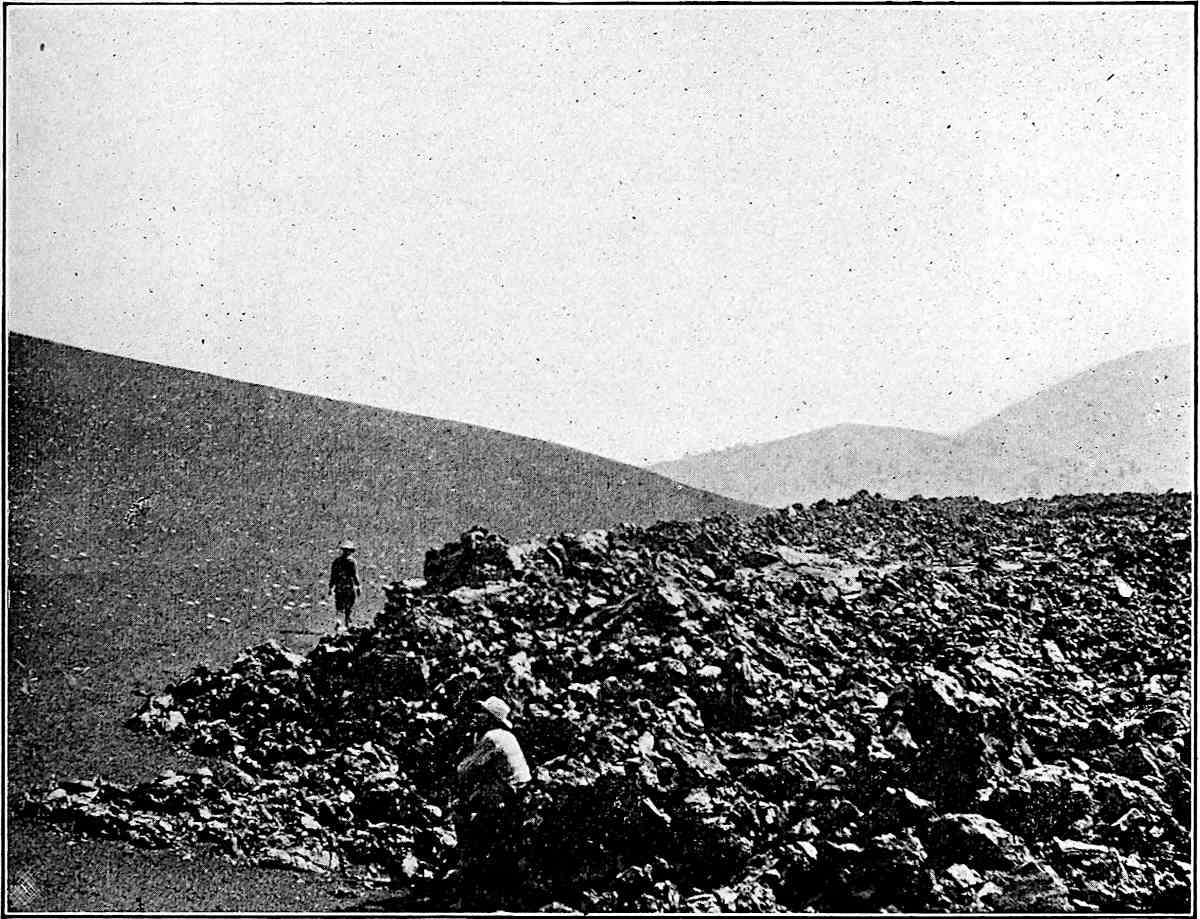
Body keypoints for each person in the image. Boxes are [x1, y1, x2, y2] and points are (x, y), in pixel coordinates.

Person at [454, 696, 531, 908]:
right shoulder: (504, 735)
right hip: (517, 793)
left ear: (490, 718)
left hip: (508, 797)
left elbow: (465, 769)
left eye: (481, 713)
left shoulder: (492, 737)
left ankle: (470, 891)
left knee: (469, 827)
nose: (476, 716)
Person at [327, 540, 361, 628]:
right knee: (349, 604)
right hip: (349, 586)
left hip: (339, 586)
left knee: (339, 603)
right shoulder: (352, 562)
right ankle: (347, 621)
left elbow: (333, 576)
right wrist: (358, 586)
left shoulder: (337, 561)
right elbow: (354, 575)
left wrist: (330, 587)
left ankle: (339, 620)